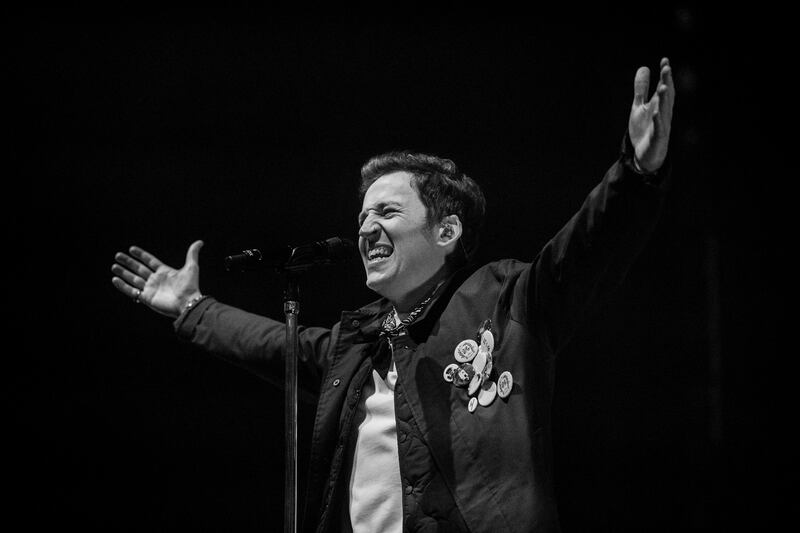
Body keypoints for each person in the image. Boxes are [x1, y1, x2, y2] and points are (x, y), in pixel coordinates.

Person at [111, 58, 675, 533]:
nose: (364, 229)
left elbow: (582, 254)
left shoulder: (504, 302)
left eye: (386, 212)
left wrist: (635, 172)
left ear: (446, 232)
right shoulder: (354, 348)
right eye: (361, 216)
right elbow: (269, 344)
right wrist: (191, 307)